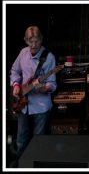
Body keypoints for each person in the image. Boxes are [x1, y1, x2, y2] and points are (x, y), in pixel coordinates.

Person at [10, 26, 57, 164]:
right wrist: (16, 85)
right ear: (25, 40)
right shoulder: (23, 53)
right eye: (30, 42)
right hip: (23, 104)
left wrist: (42, 88)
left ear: (41, 40)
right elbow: (14, 71)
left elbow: (52, 84)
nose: (34, 45)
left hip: (41, 106)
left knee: (39, 144)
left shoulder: (49, 57)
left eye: (36, 41)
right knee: (21, 143)